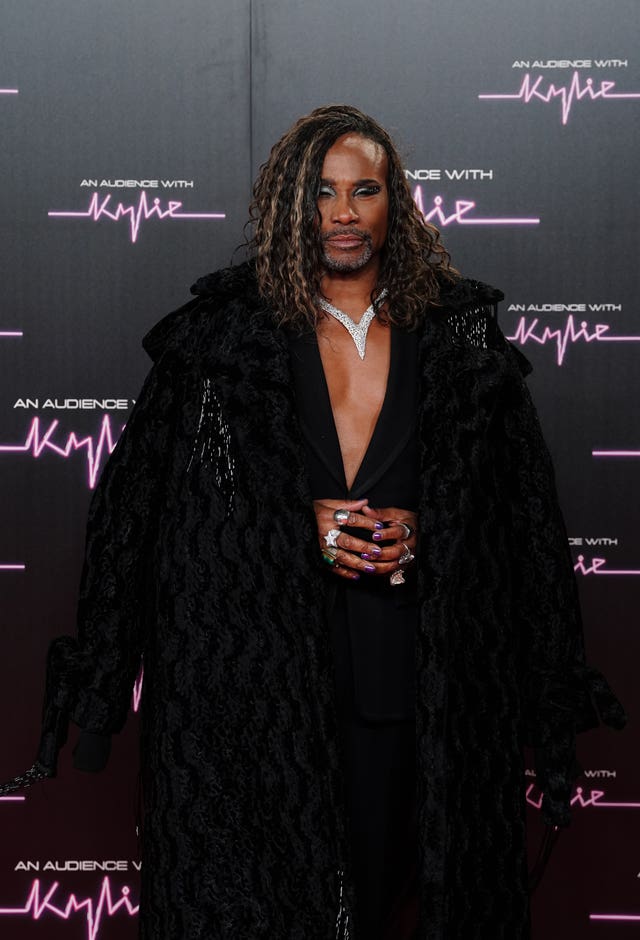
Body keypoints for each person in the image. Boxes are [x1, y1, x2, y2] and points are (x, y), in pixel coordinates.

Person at [1, 105, 625, 939]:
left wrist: (429, 531)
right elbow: (147, 511)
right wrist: (293, 527)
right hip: (258, 690)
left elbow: (524, 522)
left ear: (392, 204)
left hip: (414, 685)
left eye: (363, 190)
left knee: (397, 903)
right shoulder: (221, 341)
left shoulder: (460, 334)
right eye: (322, 192)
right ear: (292, 205)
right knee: (261, 905)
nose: (341, 211)